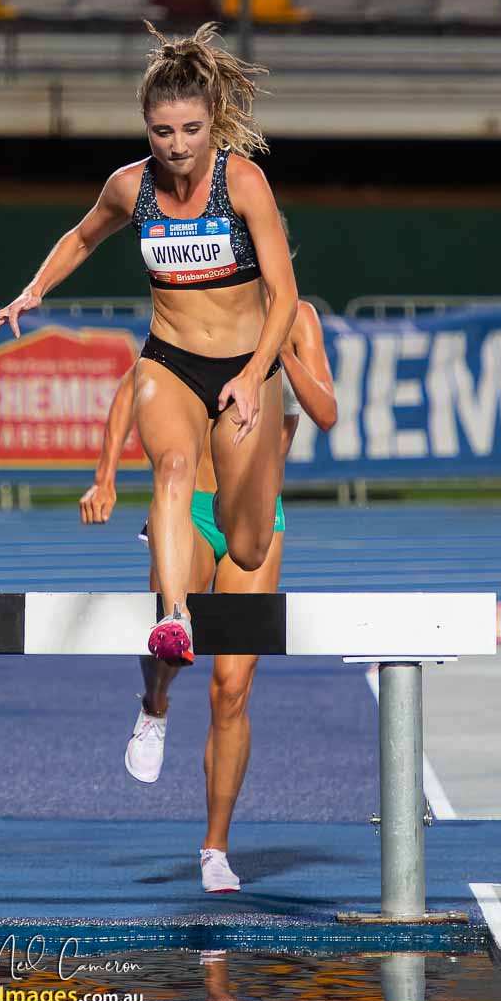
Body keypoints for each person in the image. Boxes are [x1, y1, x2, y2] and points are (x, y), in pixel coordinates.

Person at [0, 22, 297, 666]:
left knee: (247, 547)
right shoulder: (131, 187)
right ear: (145, 127)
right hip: (170, 361)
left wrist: (253, 374)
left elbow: (285, 294)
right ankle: (175, 619)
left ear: (212, 122)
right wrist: (32, 290)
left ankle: (222, 513)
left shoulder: (243, 184)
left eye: (191, 130)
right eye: (162, 132)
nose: (177, 146)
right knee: (173, 467)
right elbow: (81, 237)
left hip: (246, 369)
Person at [81, 298, 337, 893]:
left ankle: (215, 848)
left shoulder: (300, 320)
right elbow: (133, 386)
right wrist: (105, 476)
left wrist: (278, 357)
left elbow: (325, 412)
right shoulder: (208, 306)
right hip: (191, 507)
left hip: (257, 520)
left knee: (232, 689)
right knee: (169, 643)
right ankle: (155, 705)